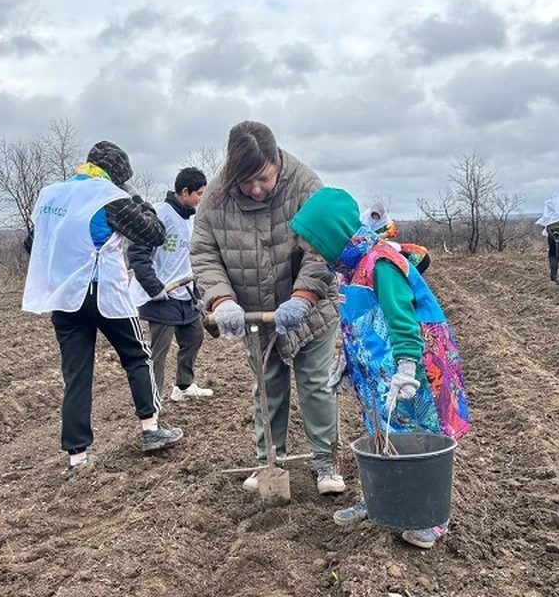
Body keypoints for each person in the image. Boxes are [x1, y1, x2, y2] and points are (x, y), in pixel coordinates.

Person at [290, 187, 470, 549]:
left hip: (410, 366)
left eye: (312, 245)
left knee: (418, 436)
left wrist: (406, 367)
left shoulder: (381, 264)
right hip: (375, 371)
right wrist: (346, 361)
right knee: (380, 431)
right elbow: (356, 322)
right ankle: (380, 500)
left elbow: (402, 318)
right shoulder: (350, 269)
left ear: (330, 236)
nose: (309, 252)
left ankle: (430, 517)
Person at [191, 120, 345, 495]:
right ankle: (267, 463)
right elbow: (204, 253)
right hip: (255, 314)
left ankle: (326, 463)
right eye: (247, 182)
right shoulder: (216, 197)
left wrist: (303, 296)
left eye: (264, 178)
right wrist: (222, 301)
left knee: (315, 384)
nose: (257, 189)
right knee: (267, 387)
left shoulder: (305, 185)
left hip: (309, 311)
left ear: (277, 160)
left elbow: (324, 247)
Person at [22, 141, 183, 477]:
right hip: (104, 294)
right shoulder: (110, 198)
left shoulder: (53, 194)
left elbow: (31, 243)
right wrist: (138, 200)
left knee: (76, 375)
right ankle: (151, 428)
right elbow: (154, 233)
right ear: (119, 176)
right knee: (137, 357)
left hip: (66, 299)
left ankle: (77, 457)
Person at [128, 167, 212, 401]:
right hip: (161, 295)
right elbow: (137, 254)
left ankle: (183, 386)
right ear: (184, 191)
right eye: (199, 193)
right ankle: (153, 403)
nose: (201, 199)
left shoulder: (192, 220)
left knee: (194, 337)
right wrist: (154, 288)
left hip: (185, 294)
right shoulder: (158, 213)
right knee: (159, 352)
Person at [360, 200, 431, 274]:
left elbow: (392, 231)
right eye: (374, 215)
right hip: (418, 255)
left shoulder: (385, 249)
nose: (375, 218)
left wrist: (383, 235)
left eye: (377, 216)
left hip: (420, 259)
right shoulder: (365, 222)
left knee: (410, 279)